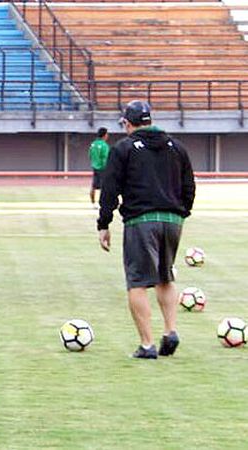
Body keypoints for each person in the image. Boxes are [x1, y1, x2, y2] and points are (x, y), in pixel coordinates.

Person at [97, 100, 196, 359]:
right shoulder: (178, 147)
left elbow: (110, 188)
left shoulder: (124, 148)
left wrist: (103, 224)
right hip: (173, 221)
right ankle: (170, 331)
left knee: (138, 282)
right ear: (150, 121)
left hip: (141, 221)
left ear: (128, 124)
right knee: (165, 277)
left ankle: (147, 345)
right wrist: (182, 213)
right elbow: (189, 186)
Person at [89, 127, 110, 207]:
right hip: (103, 168)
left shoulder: (93, 144)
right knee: (103, 187)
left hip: (95, 167)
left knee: (94, 186)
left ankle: (93, 203)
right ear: (104, 135)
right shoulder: (104, 145)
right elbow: (106, 158)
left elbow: (90, 155)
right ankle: (102, 203)